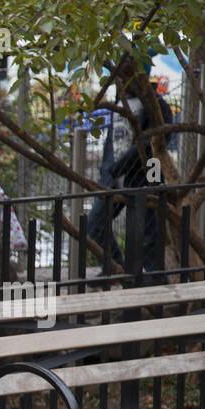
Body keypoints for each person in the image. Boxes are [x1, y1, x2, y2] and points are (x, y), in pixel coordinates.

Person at [86, 56, 174, 276]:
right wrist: (107, 171)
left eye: (128, 75)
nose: (123, 81)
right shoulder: (118, 104)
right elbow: (111, 142)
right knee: (94, 225)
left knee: (147, 233)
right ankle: (116, 268)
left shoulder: (157, 106)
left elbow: (150, 144)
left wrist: (119, 166)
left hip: (145, 177)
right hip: (114, 180)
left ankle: (150, 277)